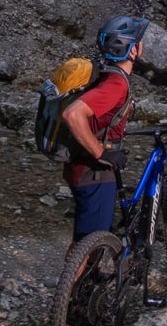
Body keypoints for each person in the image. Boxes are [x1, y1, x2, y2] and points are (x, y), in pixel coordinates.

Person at [61, 15, 148, 242]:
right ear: (132, 50)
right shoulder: (116, 85)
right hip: (93, 173)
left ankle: (85, 264)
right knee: (93, 241)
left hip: (82, 167)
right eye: (139, 41)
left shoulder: (107, 74)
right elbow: (72, 114)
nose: (142, 44)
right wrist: (102, 153)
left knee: (85, 239)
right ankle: (83, 267)